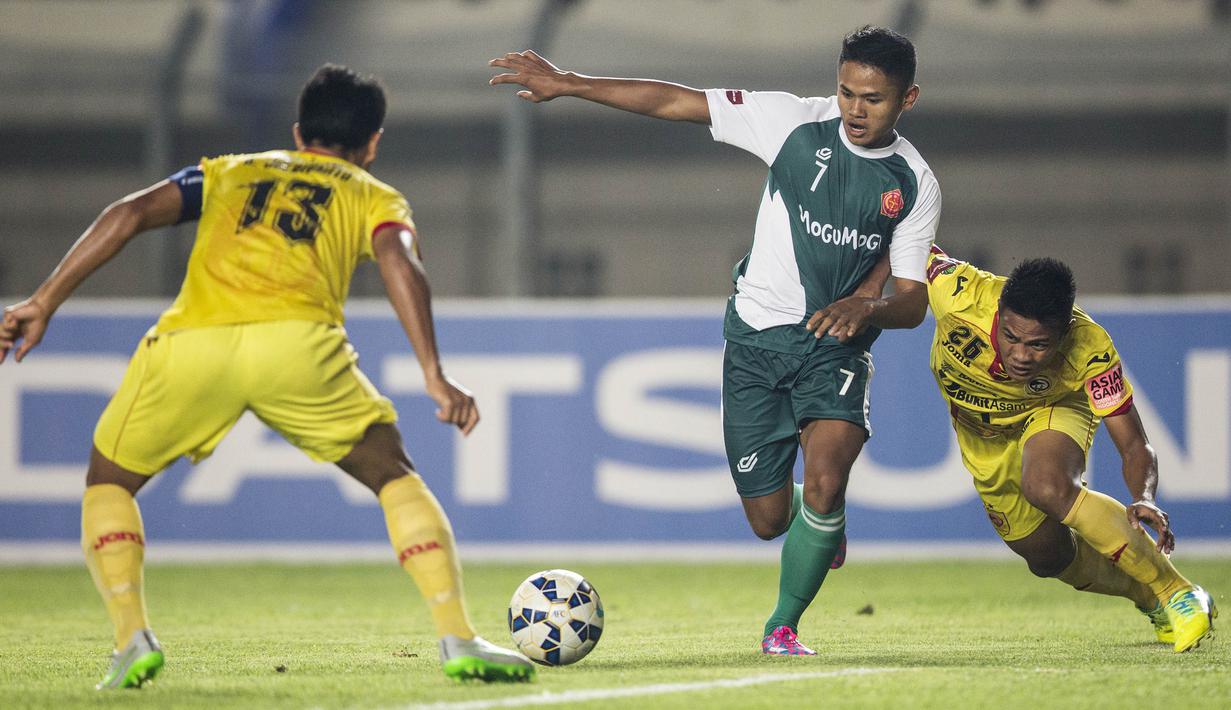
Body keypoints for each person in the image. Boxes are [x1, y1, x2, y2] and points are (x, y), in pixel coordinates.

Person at [0, 64, 534, 688]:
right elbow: (400, 260)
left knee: (109, 481)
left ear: (299, 129)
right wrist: (434, 373)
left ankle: (130, 639)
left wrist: (43, 300)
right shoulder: (373, 194)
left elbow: (129, 213)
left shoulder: (231, 170)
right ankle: (456, 636)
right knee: (392, 472)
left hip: (193, 343)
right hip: (299, 347)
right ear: (373, 142)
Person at [490, 26, 941, 655]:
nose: (856, 110)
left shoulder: (913, 182)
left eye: (874, 98)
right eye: (846, 92)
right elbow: (676, 101)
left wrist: (868, 309)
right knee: (768, 521)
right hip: (754, 341)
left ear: (907, 100)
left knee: (824, 481)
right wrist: (569, 84)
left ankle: (782, 625)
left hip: (834, 346)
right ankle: (823, 519)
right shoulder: (790, 124)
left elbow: (915, 303)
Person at [917, 244, 1216, 652]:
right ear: (1000, 312)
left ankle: (1178, 592)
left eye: (1039, 345)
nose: (1021, 355)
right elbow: (898, 239)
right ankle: (1150, 598)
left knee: (1048, 485)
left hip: (1051, 406)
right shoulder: (956, 292)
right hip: (983, 438)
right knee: (1047, 557)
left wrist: (1143, 496)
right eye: (1011, 337)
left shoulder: (1090, 348)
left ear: (1064, 332)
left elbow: (1132, 441)